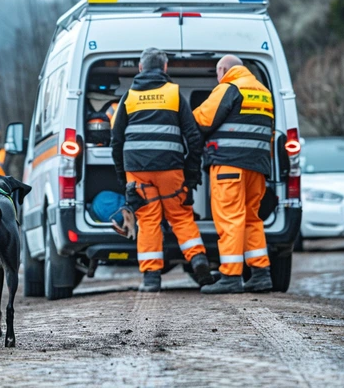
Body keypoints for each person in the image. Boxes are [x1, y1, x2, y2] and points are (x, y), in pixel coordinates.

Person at [111, 47, 214, 292]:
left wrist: (121, 176)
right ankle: (198, 260)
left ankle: (151, 279)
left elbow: (116, 140)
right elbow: (193, 136)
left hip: (137, 171)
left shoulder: (128, 97)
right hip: (171, 169)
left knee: (147, 221)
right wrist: (191, 173)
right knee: (180, 216)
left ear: (140, 68)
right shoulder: (174, 94)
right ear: (165, 68)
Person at [192, 54, 274, 294]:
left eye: (218, 74)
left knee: (230, 218)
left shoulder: (229, 87)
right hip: (257, 166)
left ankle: (230, 276)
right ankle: (261, 274)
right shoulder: (263, 91)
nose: (218, 78)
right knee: (251, 218)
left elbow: (202, 120)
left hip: (229, 166)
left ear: (223, 69)